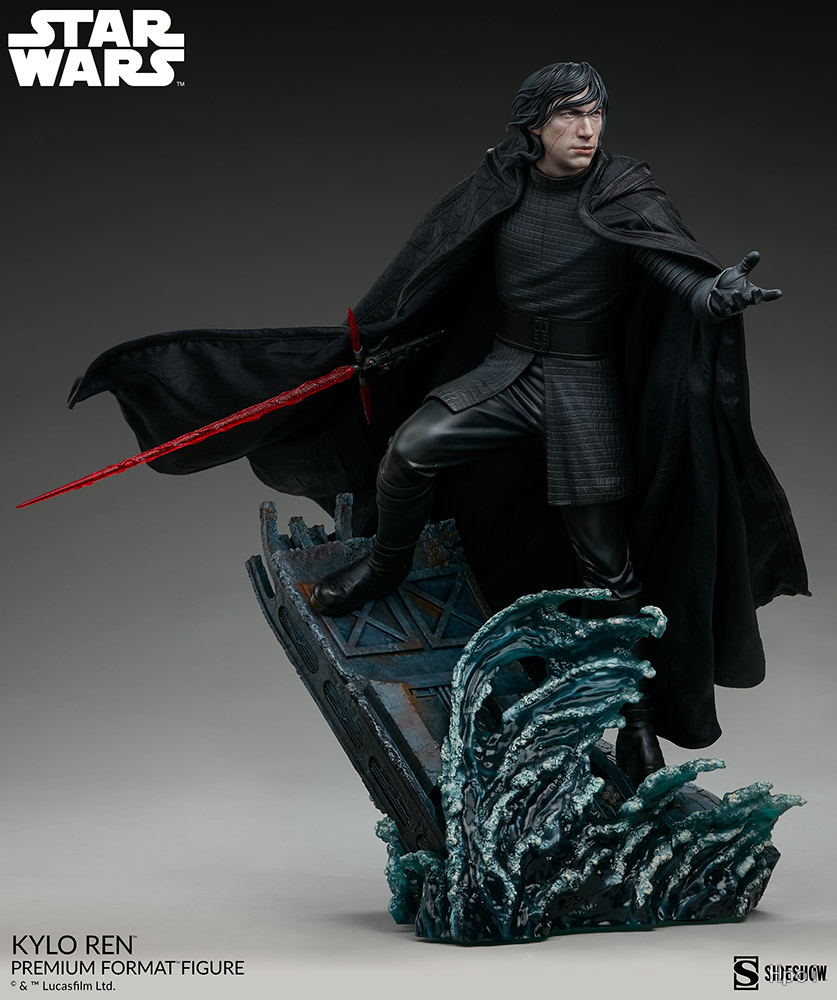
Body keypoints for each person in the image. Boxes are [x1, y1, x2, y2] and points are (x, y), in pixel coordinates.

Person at [69, 61, 808, 785]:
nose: (586, 129)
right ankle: (383, 568)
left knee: (608, 572)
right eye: (569, 115)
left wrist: (714, 295)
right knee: (410, 451)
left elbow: (672, 269)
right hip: (504, 370)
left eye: (595, 114)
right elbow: (435, 271)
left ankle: (636, 726)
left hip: (582, 387)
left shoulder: (623, 191)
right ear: (533, 125)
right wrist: (391, 341)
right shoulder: (499, 184)